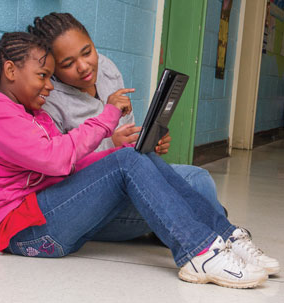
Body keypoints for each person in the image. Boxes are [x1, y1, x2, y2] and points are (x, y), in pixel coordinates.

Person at [0, 32, 280, 289]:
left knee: (134, 156)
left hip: (50, 212)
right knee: (128, 162)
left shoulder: (33, 115)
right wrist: (109, 117)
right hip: (26, 233)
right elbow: (56, 160)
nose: (49, 85)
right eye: (42, 76)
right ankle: (199, 254)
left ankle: (224, 236)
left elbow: (70, 167)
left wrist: (117, 152)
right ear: (10, 71)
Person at [27, 12, 228, 220]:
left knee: (198, 178)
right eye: (68, 64)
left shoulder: (105, 69)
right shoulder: (51, 100)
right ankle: (217, 225)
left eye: (87, 52)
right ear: (53, 69)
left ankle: (212, 223)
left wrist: (146, 141)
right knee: (194, 183)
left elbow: (127, 134)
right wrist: (111, 144)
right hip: (91, 195)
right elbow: (57, 164)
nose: (84, 67)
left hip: (129, 177)